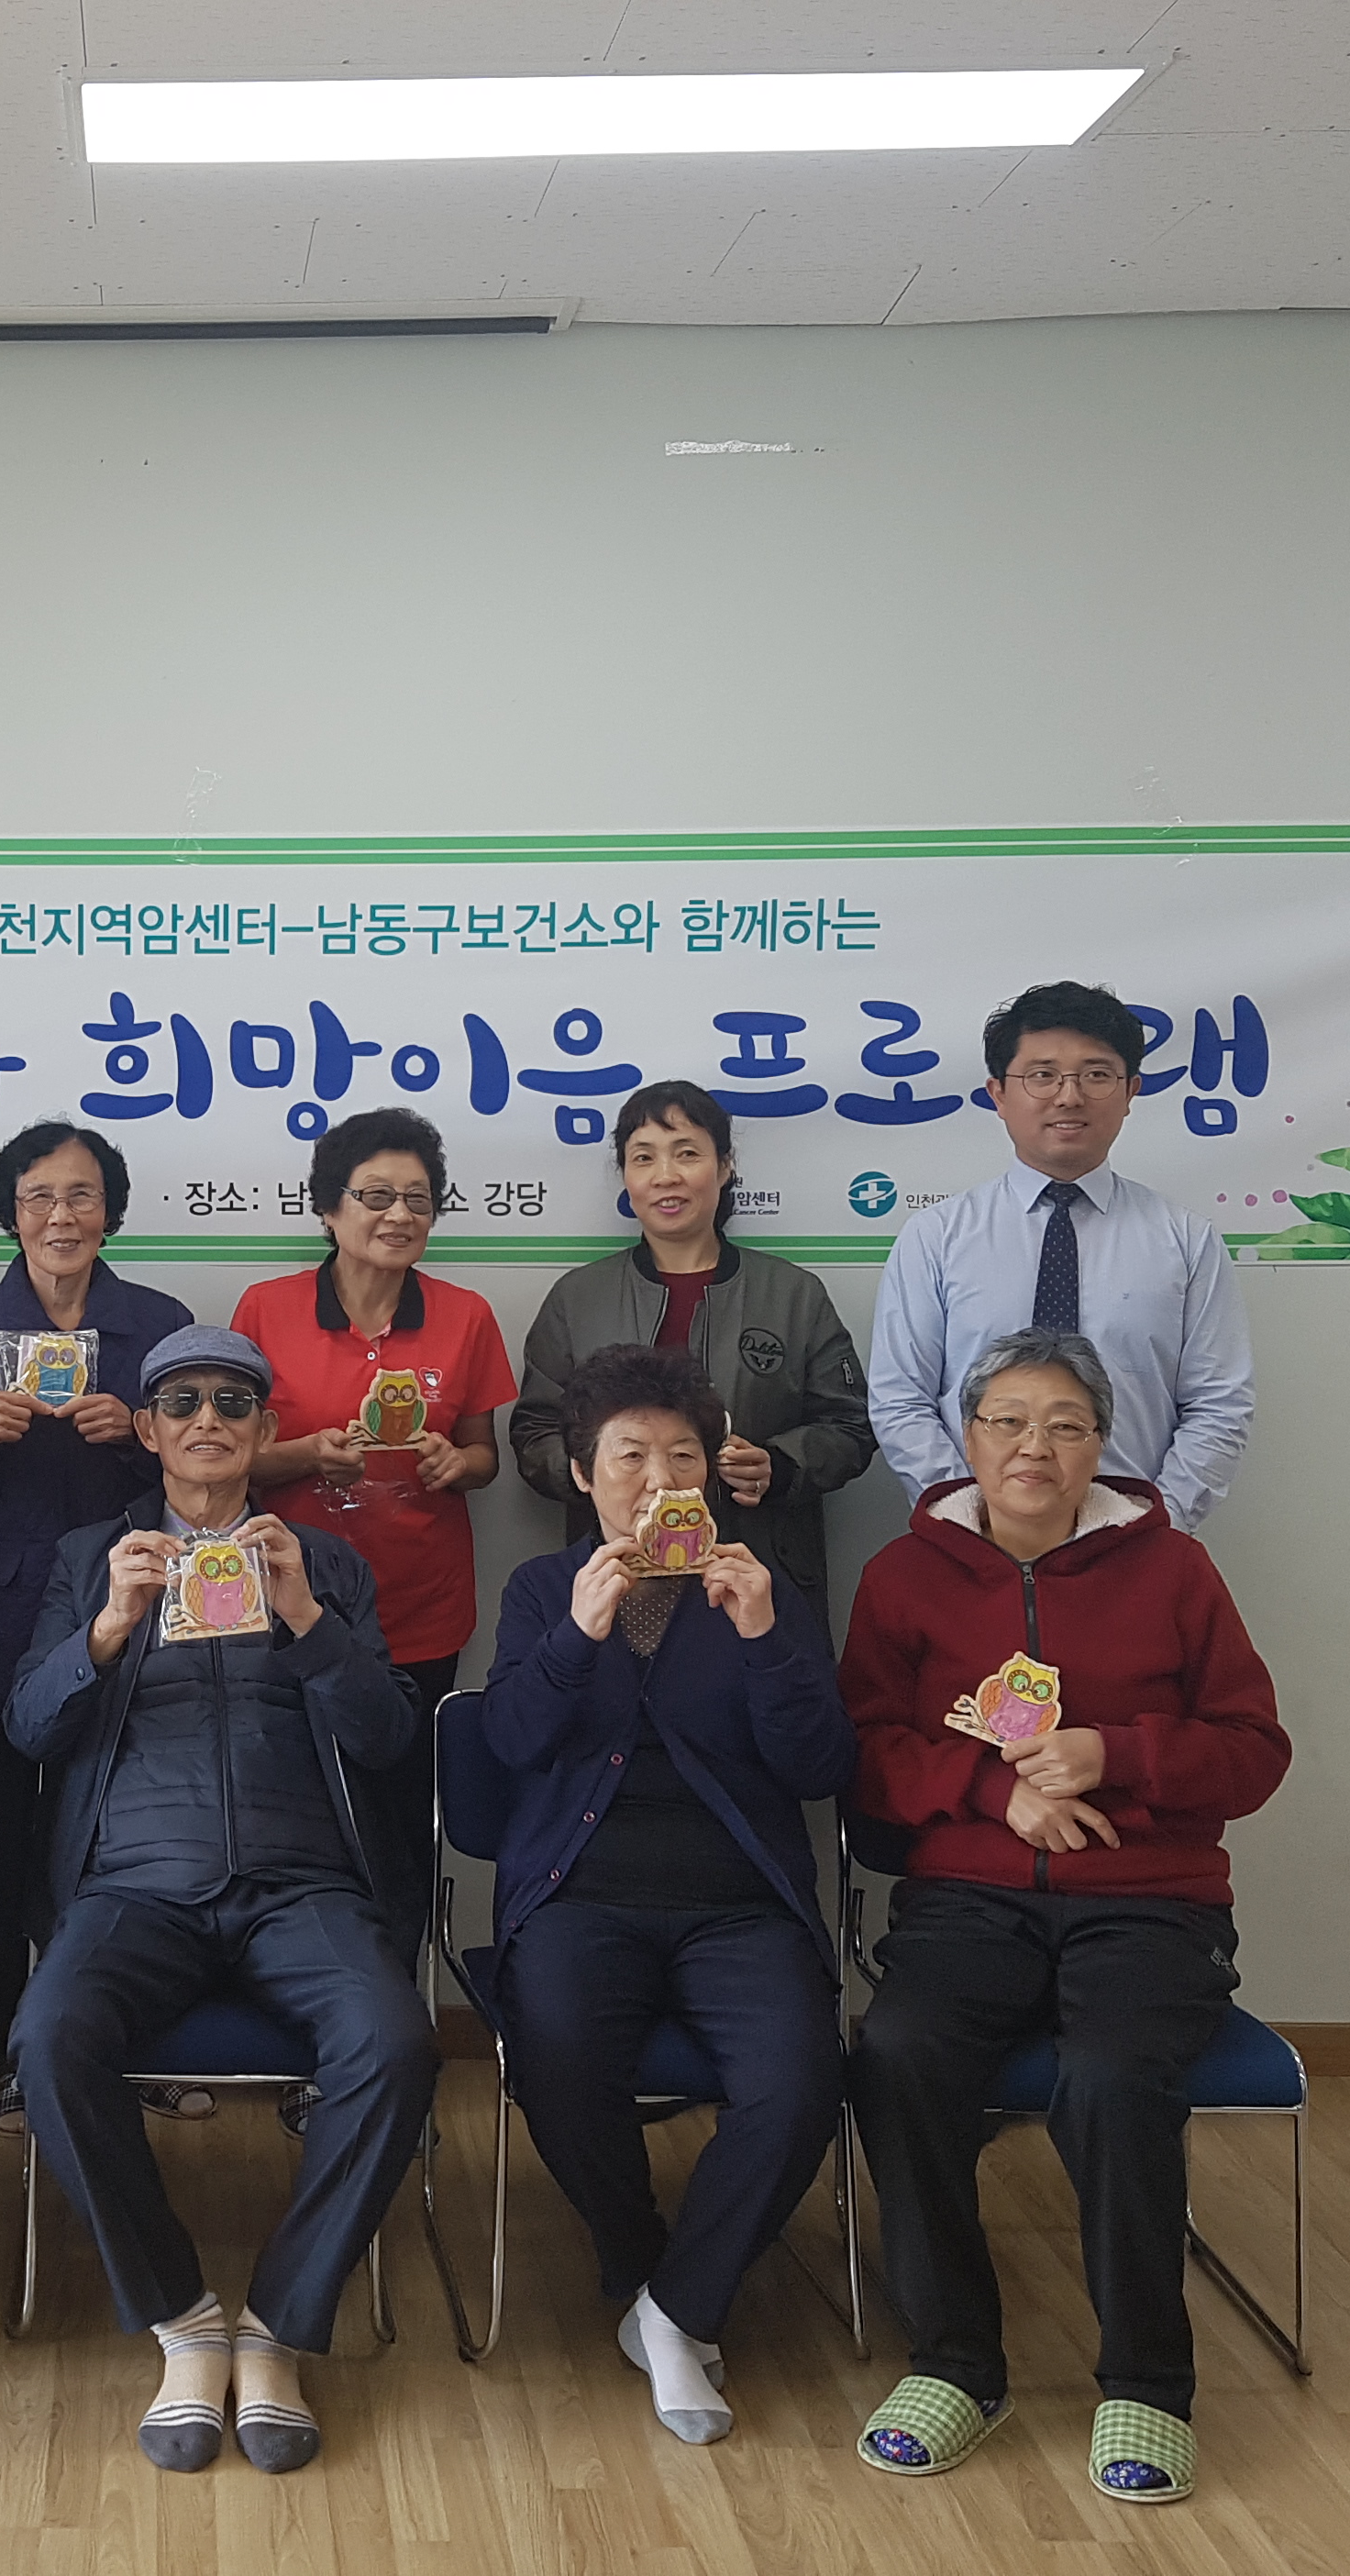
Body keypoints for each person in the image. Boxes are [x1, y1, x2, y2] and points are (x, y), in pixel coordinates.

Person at [839, 1329, 1290, 2507]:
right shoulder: (904, 1575)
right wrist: (991, 1793)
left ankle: (1146, 2382)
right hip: (968, 1897)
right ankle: (954, 2362)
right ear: (967, 1438)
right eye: (1006, 1421)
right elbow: (866, 1752)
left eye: (1064, 1426)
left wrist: (1113, 1755)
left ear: (1100, 1446)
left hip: (1148, 1906)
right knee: (899, 2052)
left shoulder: (1175, 1571)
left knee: (1112, 2073)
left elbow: (1255, 1752)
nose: (1032, 1447)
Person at [7, 1326, 432, 2478]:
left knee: (396, 2041)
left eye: (234, 1404)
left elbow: (387, 1739)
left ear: (263, 1430)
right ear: (148, 1430)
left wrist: (306, 1618)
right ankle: (183, 2319)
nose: (208, 1420)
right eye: (183, 1403)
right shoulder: (92, 1554)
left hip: (302, 1883)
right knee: (48, 2039)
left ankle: (281, 2323)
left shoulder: (325, 1562)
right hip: (134, 1885)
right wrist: (106, 1627)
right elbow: (28, 1727)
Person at [482, 1346, 852, 2448]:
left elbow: (821, 1766)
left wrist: (765, 1640)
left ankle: (674, 2309)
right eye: (630, 1456)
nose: (658, 1480)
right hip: (579, 1891)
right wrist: (576, 1635)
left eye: (683, 1456)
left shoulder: (761, 1586)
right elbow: (510, 1745)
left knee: (800, 2081)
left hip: (737, 1898)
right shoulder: (542, 1588)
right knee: (554, 2054)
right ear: (584, 1476)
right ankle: (646, 2266)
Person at [0, 1118, 193, 2117]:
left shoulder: (157, 1322)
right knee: (9, 1849)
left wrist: (138, 1434)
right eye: (39, 1196)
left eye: (82, 1195)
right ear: (11, 1213)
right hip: (3, 1617)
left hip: (134, 1609)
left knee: (132, 1843)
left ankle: (136, 2051)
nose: (61, 1215)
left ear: (110, 1212)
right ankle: (14, 2060)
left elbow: (200, 1465)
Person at [230, 1105, 513, 1947]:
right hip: (291, 1603)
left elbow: (485, 1457)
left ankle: (396, 1974)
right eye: (376, 1196)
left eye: (419, 1200)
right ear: (328, 1208)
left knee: (401, 1809)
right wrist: (307, 1455)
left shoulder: (466, 1315)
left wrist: (455, 1464)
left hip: (420, 1606)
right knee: (293, 1803)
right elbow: (230, 1459)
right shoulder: (266, 1309)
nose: (400, 1216)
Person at [868, 982, 1251, 1529]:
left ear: (1130, 1091)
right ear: (999, 1094)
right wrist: (969, 1518)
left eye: (1096, 1075)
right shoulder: (937, 1237)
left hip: (1134, 1538)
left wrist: (1153, 1525)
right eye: (1042, 1075)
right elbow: (901, 1397)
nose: (1069, 1096)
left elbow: (1218, 1404)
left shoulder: (1186, 1239)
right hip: (970, 1541)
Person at [510, 1079, 873, 1604]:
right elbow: (534, 1432)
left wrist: (781, 1465)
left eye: (687, 1153)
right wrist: (603, 1476)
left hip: (761, 1569)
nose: (666, 1176)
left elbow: (851, 1425)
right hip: (617, 1578)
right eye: (644, 1157)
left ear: (724, 1167)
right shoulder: (577, 1299)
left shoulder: (793, 1294)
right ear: (625, 1175)